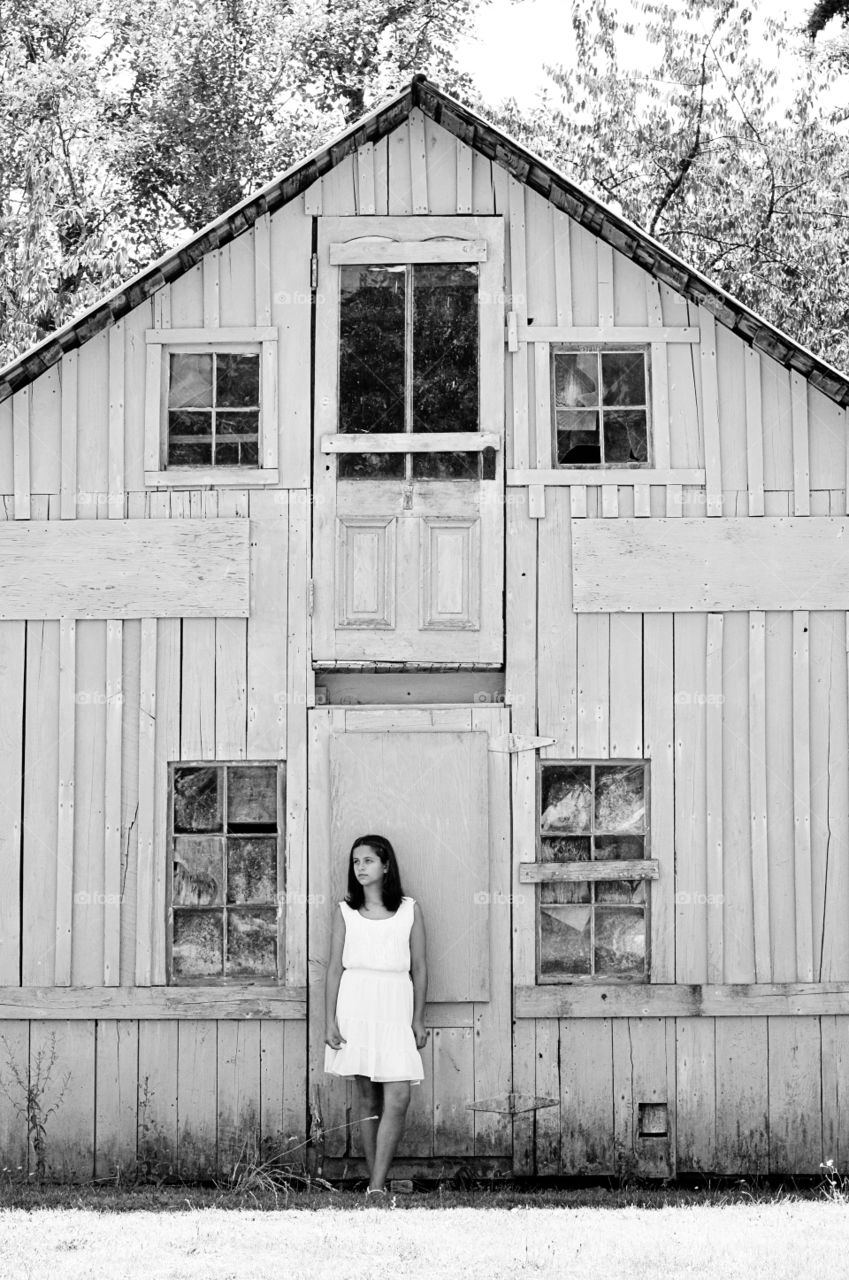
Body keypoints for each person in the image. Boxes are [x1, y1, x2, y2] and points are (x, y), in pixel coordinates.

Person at [324, 833, 428, 1199]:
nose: (360, 867)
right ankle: (377, 1188)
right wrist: (329, 1021)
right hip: (356, 1005)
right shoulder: (346, 912)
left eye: (368, 860)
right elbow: (334, 969)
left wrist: (417, 1019)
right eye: (356, 862)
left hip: (395, 1004)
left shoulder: (409, 910)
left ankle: (376, 1184)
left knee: (398, 1096)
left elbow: (420, 967)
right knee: (368, 1098)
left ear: (386, 865)